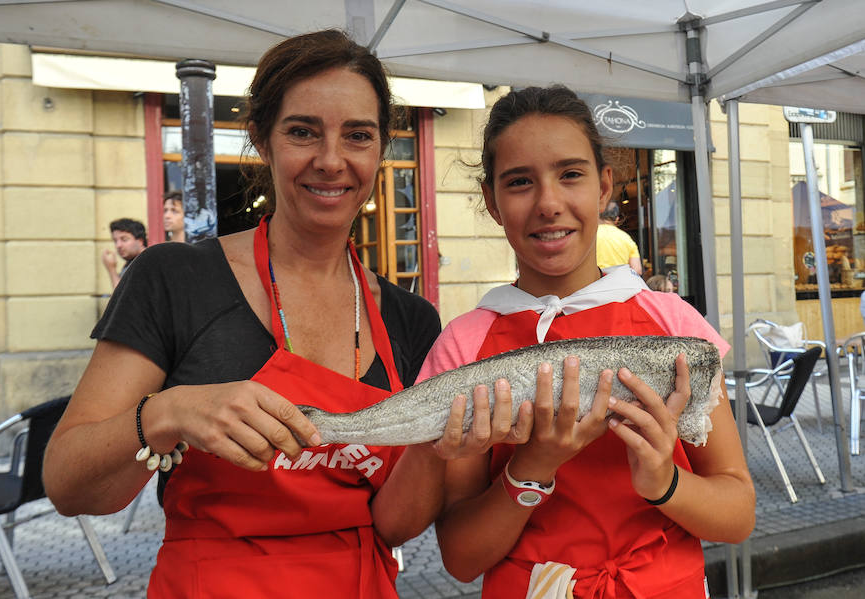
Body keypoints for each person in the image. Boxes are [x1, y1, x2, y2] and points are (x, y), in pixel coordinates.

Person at [43, 30, 526, 599]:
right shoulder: (173, 278)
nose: (331, 160)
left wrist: (438, 445)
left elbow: (395, 524)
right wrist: (169, 412)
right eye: (302, 132)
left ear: (379, 150)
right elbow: (69, 485)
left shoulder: (411, 318)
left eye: (358, 136)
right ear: (262, 141)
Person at [426, 85, 756, 598]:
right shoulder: (464, 344)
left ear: (604, 186)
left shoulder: (673, 324)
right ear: (491, 201)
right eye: (519, 183)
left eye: (570, 174)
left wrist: (664, 482)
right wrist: (532, 467)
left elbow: (736, 515)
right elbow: (462, 557)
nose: (549, 203)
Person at [596, 200, 643, 275]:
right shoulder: (627, 238)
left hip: (595, 282)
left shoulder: (591, 236)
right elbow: (637, 270)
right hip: (620, 282)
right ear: (617, 219)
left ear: (598, 216)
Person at [101, 218, 147, 288]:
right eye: (115, 241)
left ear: (140, 241)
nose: (118, 245)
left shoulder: (145, 263)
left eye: (124, 239)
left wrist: (112, 270)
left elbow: (121, 295)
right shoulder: (131, 262)